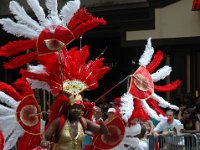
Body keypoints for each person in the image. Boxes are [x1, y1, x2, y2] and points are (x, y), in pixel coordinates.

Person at [41, 94, 108, 150]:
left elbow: (104, 131)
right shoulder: (59, 121)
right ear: (69, 108)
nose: (76, 110)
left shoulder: (84, 122)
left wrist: (100, 119)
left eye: (79, 108)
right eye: (73, 107)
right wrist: (44, 142)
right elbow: (45, 136)